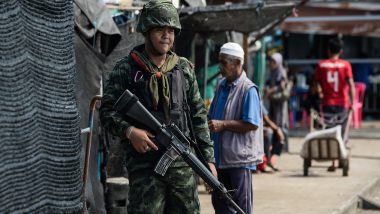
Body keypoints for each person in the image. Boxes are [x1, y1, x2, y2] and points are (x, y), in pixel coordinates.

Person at [99, 1, 216, 213]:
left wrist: (208, 161)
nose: (166, 35)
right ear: (146, 30)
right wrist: (130, 131)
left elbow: (198, 117)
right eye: (159, 29)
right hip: (144, 169)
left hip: (182, 165)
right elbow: (106, 111)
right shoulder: (126, 69)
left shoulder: (184, 70)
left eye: (171, 30)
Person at [208, 42, 263, 214]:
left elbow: (252, 123)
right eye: (220, 62)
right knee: (220, 204)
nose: (220, 67)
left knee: (241, 207)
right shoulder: (220, 85)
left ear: (238, 64)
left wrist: (222, 124)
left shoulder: (248, 89)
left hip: (240, 160)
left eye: (224, 63)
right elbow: (212, 115)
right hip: (220, 158)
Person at [313, 37, 355, 171]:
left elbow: (316, 83)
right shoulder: (346, 65)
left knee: (330, 131)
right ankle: (340, 158)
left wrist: (319, 91)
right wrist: (353, 102)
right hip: (342, 103)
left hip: (327, 103)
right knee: (341, 132)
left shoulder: (321, 65)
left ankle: (333, 162)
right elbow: (351, 85)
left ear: (328, 50)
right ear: (341, 51)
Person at [264, 52, 290, 161]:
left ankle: (280, 149)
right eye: (271, 61)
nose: (271, 64)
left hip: (280, 105)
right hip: (273, 103)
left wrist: (271, 90)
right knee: (273, 124)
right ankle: (273, 152)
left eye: (274, 62)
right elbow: (269, 82)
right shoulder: (272, 72)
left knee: (280, 125)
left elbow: (282, 86)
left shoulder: (281, 72)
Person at [256, 103, 285, 173]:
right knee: (268, 134)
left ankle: (269, 160)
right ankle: (266, 162)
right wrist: (277, 129)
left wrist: (277, 129)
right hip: (252, 127)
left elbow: (266, 118)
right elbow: (266, 119)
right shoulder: (252, 95)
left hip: (258, 126)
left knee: (279, 136)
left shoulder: (260, 100)